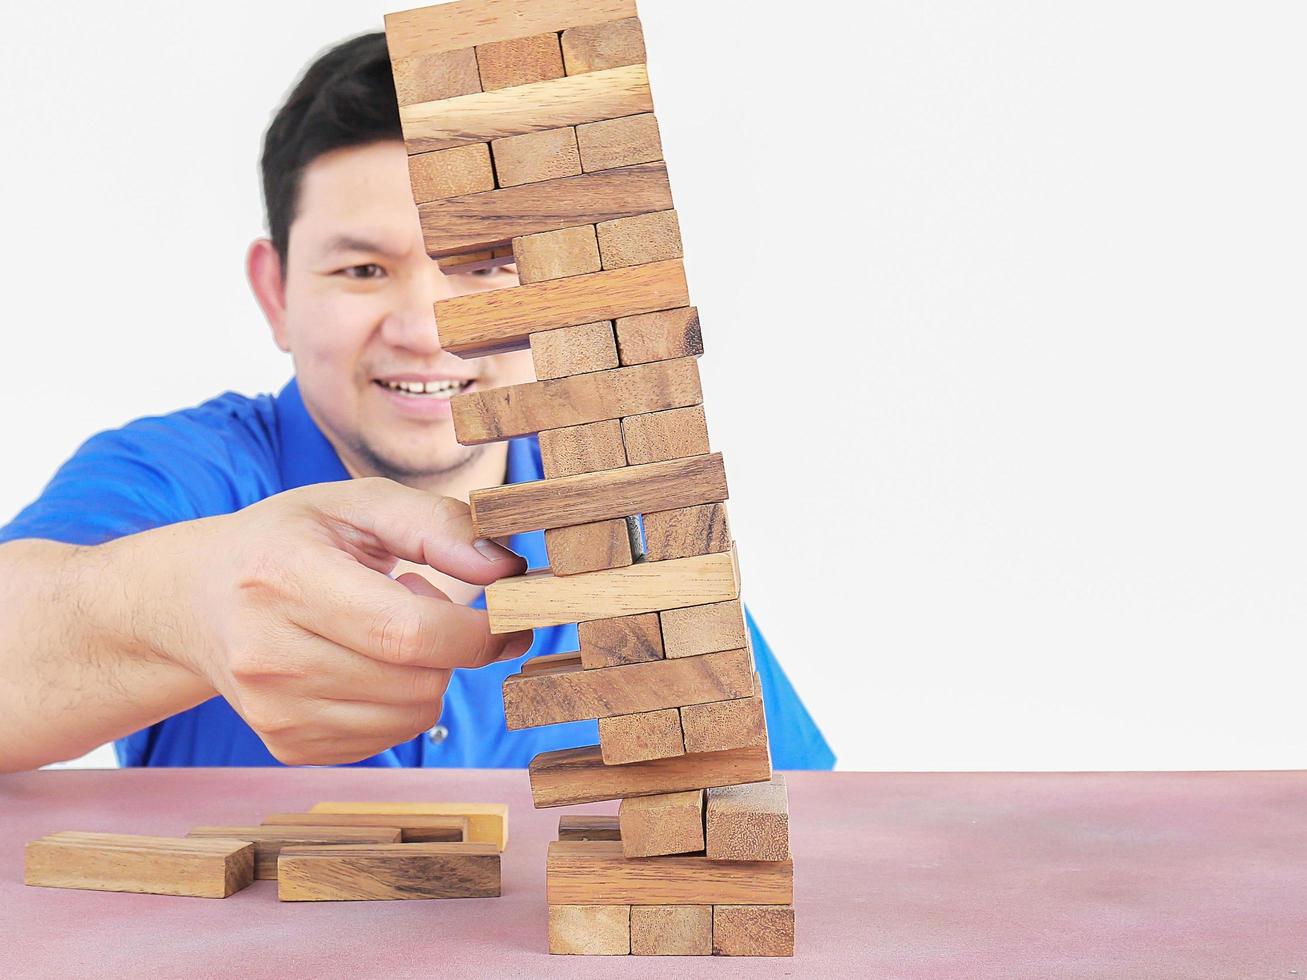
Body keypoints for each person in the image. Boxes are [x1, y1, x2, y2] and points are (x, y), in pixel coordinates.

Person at [0, 33, 833, 773]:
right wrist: (184, 603)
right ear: (275, 293)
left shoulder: (634, 528)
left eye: (485, 266)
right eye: (362, 270)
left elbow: (798, 824)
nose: (429, 330)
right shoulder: (179, 476)